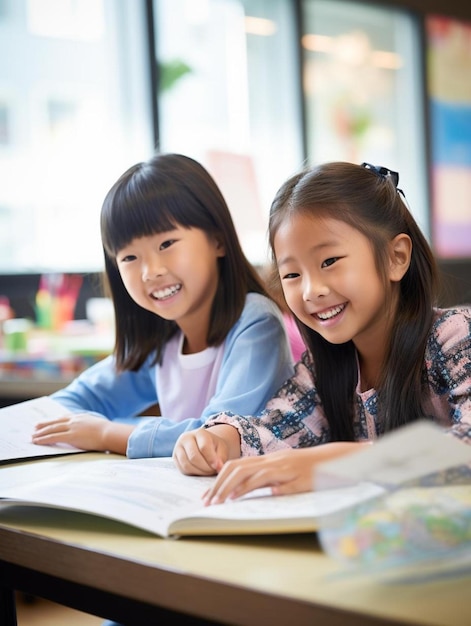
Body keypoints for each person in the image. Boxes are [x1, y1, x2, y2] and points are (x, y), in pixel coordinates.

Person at [173, 160, 471, 504]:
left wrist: (337, 462)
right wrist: (220, 439)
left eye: (329, 262)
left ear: (396, 257)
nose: (311, 291)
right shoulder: (323, 366)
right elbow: (275, 428)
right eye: (292, 275)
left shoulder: (455, 337)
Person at [32, 153, 294, 457]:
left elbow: (215, 436)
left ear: (218, 241)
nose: (150, 271)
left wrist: (106, 433)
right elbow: (72, 401)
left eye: (166, 244)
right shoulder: (163, 341)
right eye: (130, 257)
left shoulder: (256, 322)